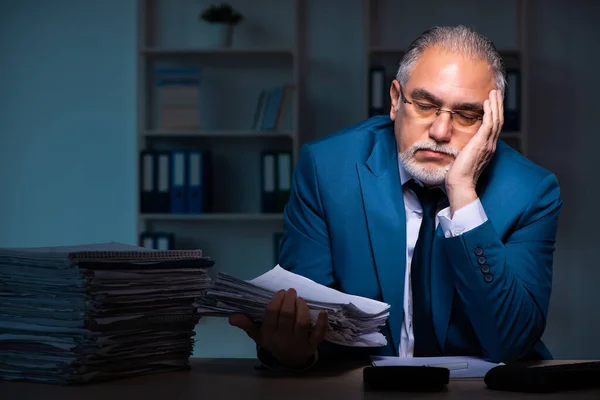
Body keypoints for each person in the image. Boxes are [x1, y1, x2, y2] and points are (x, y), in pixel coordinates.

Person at [229, 25, 562, 370]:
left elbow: (512, 341)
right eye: (425, 104)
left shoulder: (531, 192)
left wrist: (463, 194)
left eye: (466, 115)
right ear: (395, 100)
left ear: (492, 121)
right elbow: (307, 321)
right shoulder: (327, 169)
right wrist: (294, 351)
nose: (440, 132)